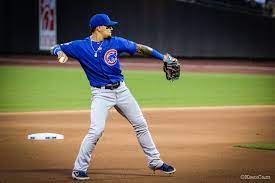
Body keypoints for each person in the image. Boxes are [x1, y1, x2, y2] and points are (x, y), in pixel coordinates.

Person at [51, 13, 177, 181]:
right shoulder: (80, 46)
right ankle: (79, 169)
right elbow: (55, 46)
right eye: (109, 25)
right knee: (96, 130)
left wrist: (163, 57)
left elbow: (140, 48)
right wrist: (60, 53)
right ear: (99, 28)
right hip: (100, 94)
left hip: (122, 90)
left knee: (140, 124)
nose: (112, 28)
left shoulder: (116, 42)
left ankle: (155, 161)